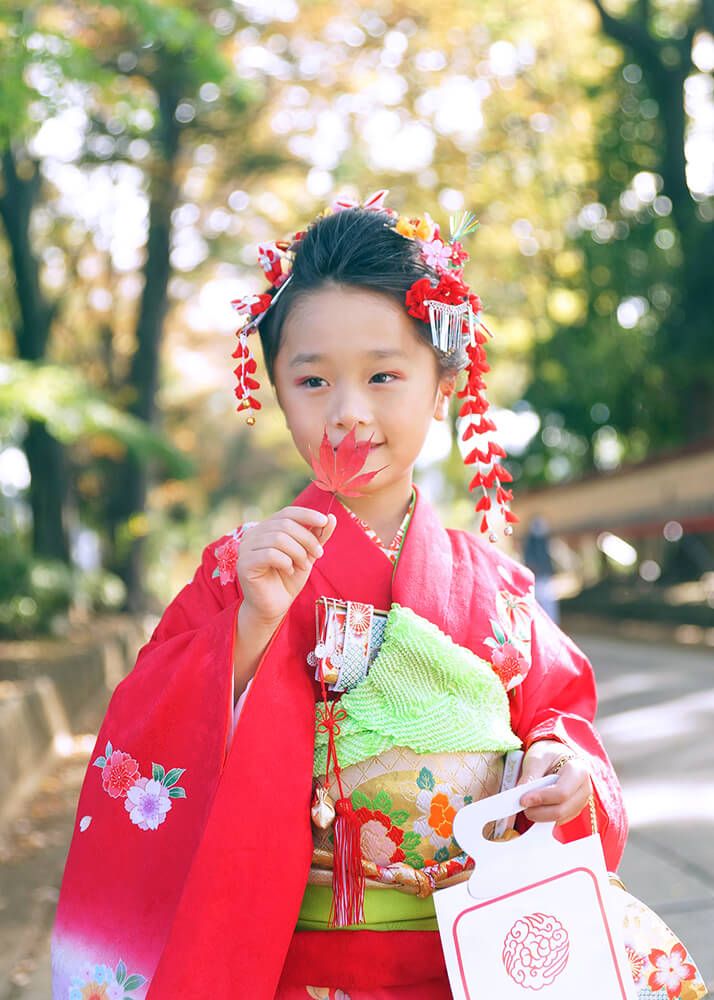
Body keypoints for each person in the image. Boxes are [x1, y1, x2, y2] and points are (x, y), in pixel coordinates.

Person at [51, 193, 628, 999]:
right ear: (276, 390)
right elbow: (144, 730)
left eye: (384, 375)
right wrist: (250, 627)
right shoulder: (236, 574)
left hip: (466, 955)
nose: (349, 413)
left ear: (442, 385)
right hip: (291, 962)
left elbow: (558, 715)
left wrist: (562, 767)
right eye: (313, 379)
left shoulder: (497, 586)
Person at [523, 515, 560, 624]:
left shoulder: (544, 540)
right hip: (537, 577)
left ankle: (551, 624)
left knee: (548, 603)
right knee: (539, 603)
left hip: (545, 576)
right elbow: (529, 560)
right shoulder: (531, 541)